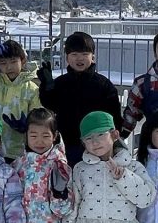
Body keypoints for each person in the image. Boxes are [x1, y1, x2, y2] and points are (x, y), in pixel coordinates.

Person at [38, 31, 122, 166]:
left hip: (97, 145)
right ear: (67, 58)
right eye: (74, 54)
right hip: (68, 142)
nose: (79, 58)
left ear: (93, 57)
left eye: (84, 54)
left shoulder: (103, 85)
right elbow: (50, 103)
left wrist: (113, 140)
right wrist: (46, 86)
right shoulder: (61, 83)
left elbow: (115, 116)